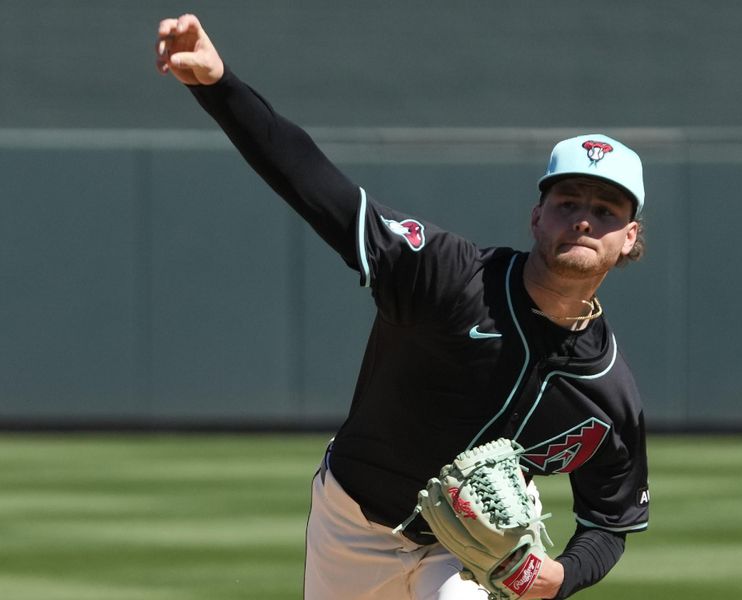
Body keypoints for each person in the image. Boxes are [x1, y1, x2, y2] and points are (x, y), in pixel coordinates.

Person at [156, 14, 649, 600]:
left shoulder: (605, 393)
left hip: (469, 553)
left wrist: (562, 576)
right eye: (567, 200)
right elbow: (313, 183)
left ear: (629, 239)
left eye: (607, 210)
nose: (585, 218)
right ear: (536, 217)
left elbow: (609, 522)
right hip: (352, 522)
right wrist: (218, 85)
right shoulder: (446, 276)